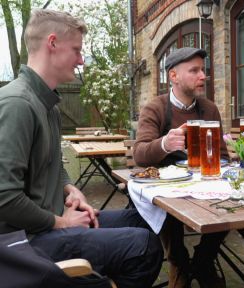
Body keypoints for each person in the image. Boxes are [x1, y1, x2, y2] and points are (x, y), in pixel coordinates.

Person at [0, 9, 163, 288]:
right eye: (76, 50)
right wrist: (61, 223)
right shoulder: (18, 104)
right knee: (143, 246)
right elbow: (4, 197)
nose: (80, 60)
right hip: (25, 241)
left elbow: (53, 163)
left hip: (50, 221)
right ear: (52, 43)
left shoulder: (47, 103)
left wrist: (70, 188)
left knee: (142, 217)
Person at [133, 47, 228, 288]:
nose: (202, 76)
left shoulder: (209, 109)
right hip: (169, 187)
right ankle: (178, 262)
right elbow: (140, 154)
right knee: (167, 207)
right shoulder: (156, 107)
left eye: (203, 70)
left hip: (204, 186)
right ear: (173, 76)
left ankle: (204, 259)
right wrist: (164, 143)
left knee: (230, 200)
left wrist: (221, 164)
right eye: (194, 70)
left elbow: (223, 156)